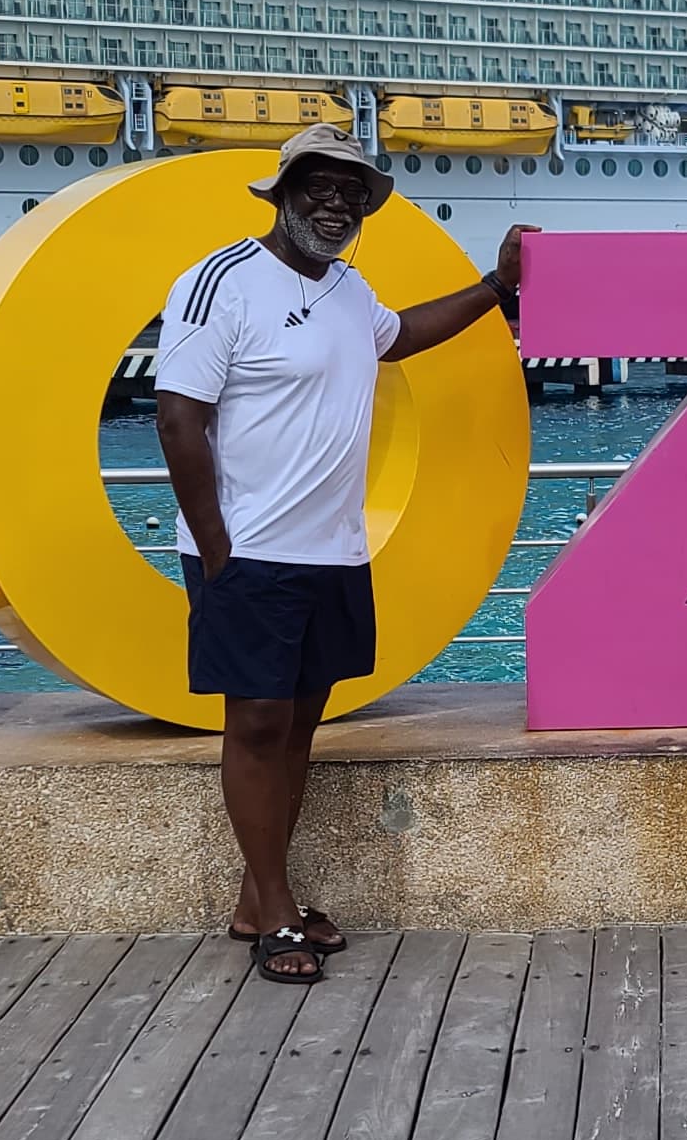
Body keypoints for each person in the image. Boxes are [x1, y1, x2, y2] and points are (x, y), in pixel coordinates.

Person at [155, 125, 521, 982]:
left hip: (334, 552)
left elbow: (401, 335)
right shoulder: (221, 281)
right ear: (282, 193)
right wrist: (217, 549)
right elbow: (177, 418)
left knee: (299, 725)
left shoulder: (351, 289)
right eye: (318, 186)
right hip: (248, 552)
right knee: (256, 722)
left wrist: (496, 286)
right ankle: (279, 913)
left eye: (352, 192)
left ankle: (257, 900)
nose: (336, 204)